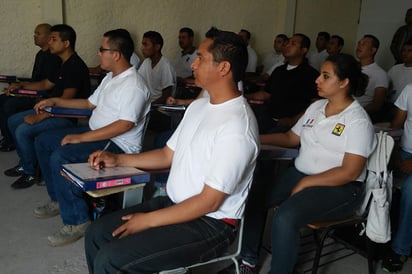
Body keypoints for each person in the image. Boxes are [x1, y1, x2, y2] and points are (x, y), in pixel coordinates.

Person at [84, 27, 259, 274]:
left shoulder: (237, 128)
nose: (194, 64)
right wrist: (118, 158)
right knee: (97, 233)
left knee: (111, 259)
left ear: (224, 68)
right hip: (176, 203)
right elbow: (168, 155)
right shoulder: (200, 107)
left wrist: (148, 221)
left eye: (201, 58)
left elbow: (210, 202)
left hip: (210, 224)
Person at [224, 53, 376, 274]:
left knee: (286, 217)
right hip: (300, 174)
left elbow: (350, 172)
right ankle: (248, 261)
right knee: (253, 200)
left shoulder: (358, 121)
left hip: (341, 187)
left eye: (325, 76)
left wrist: (307, 183)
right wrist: (254, 137)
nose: (317, 80)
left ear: (344, 83)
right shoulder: (315, 108)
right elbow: (290, 138)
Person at [31, 28, 151, 247]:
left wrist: (82, 137)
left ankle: (78, 221)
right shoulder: (110, 78)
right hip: (98, 134)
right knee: (44, 141)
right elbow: (88, 104)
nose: (98, 53)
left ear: (116, 54)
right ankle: (59, 199)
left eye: (102, 49)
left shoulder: (134, 85)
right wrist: (55, 101)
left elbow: (124, 125)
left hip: (118, 145)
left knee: (61, 155)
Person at [4, 24, 91, 189]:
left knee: (23, 129)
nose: (49, 42)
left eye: (54, 39)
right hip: (52, 109)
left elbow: (66, 101)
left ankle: (30, 173)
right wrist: (21, 85)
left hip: (67, 116)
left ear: (66, 43)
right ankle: (27, 163)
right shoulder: (61, 63)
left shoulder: (75, 66)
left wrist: (40, 116)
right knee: (13, 121)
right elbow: (46, 83)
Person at [0, 23, 61, 152]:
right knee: (2, 98)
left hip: (42, 95)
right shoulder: (40, 54)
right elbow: (36, 80)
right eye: (34, 33)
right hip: (32, 90)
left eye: (38, 33)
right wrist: (20, 87)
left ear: (49, 36)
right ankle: (8, 139)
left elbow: (47, 84)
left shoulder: (54, 57)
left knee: (9, 105)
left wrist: (23, 88)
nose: (35, 36)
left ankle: (13, 141)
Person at [245, 33, 319, 134]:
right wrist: (243, 96)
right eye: (288, 42)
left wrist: (293, 120)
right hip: (268, 118)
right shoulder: (279, 70)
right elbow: (266, 94)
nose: (288, 45)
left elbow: (315, 104)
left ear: (303, 50)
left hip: (290, 126)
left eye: (293, 44)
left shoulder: (310, 74)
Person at [381, 82, 412, 272]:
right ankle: (370, 231)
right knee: (372, 168)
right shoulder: (410, 88)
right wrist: (389, 150)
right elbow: (397, 125)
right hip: (404, 152)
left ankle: (401, 247)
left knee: (410, 189)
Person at [355, 34, 389, 122]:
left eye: (364, 44)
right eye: (359, 43)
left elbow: (377, 105)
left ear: (373, 50)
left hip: (361, 115)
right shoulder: (352, 67)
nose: (359, 46)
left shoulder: (380, 74)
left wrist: (356, 112)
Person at [137, 30, 176, 104]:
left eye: (145, 45)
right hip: (147, 104)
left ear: (157, 47)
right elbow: (138, 81)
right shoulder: (146, 62)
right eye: (142, 45)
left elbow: (166, 96)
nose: (142, 48)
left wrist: (149, 106)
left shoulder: (165, 66)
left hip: (159, 109)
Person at [388, 38, 412, 102]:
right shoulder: (395, 68)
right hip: (390, 105)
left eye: (409, 51)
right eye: (404, 50)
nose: (405, 53)